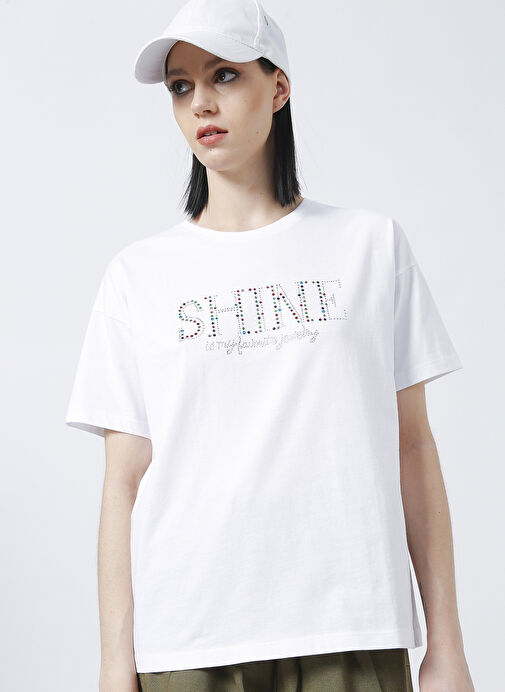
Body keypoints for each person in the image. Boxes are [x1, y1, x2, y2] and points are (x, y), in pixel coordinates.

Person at [64, 1, 475, 691]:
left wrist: (447, 644)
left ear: (278, 86)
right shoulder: (138, 276)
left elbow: (412, 447)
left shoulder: (370, 247)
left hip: (351, 624)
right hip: (190, 636)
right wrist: (113, 666)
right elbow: (123, 483)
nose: (200, 103)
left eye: (223, 75)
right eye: (181, 86)